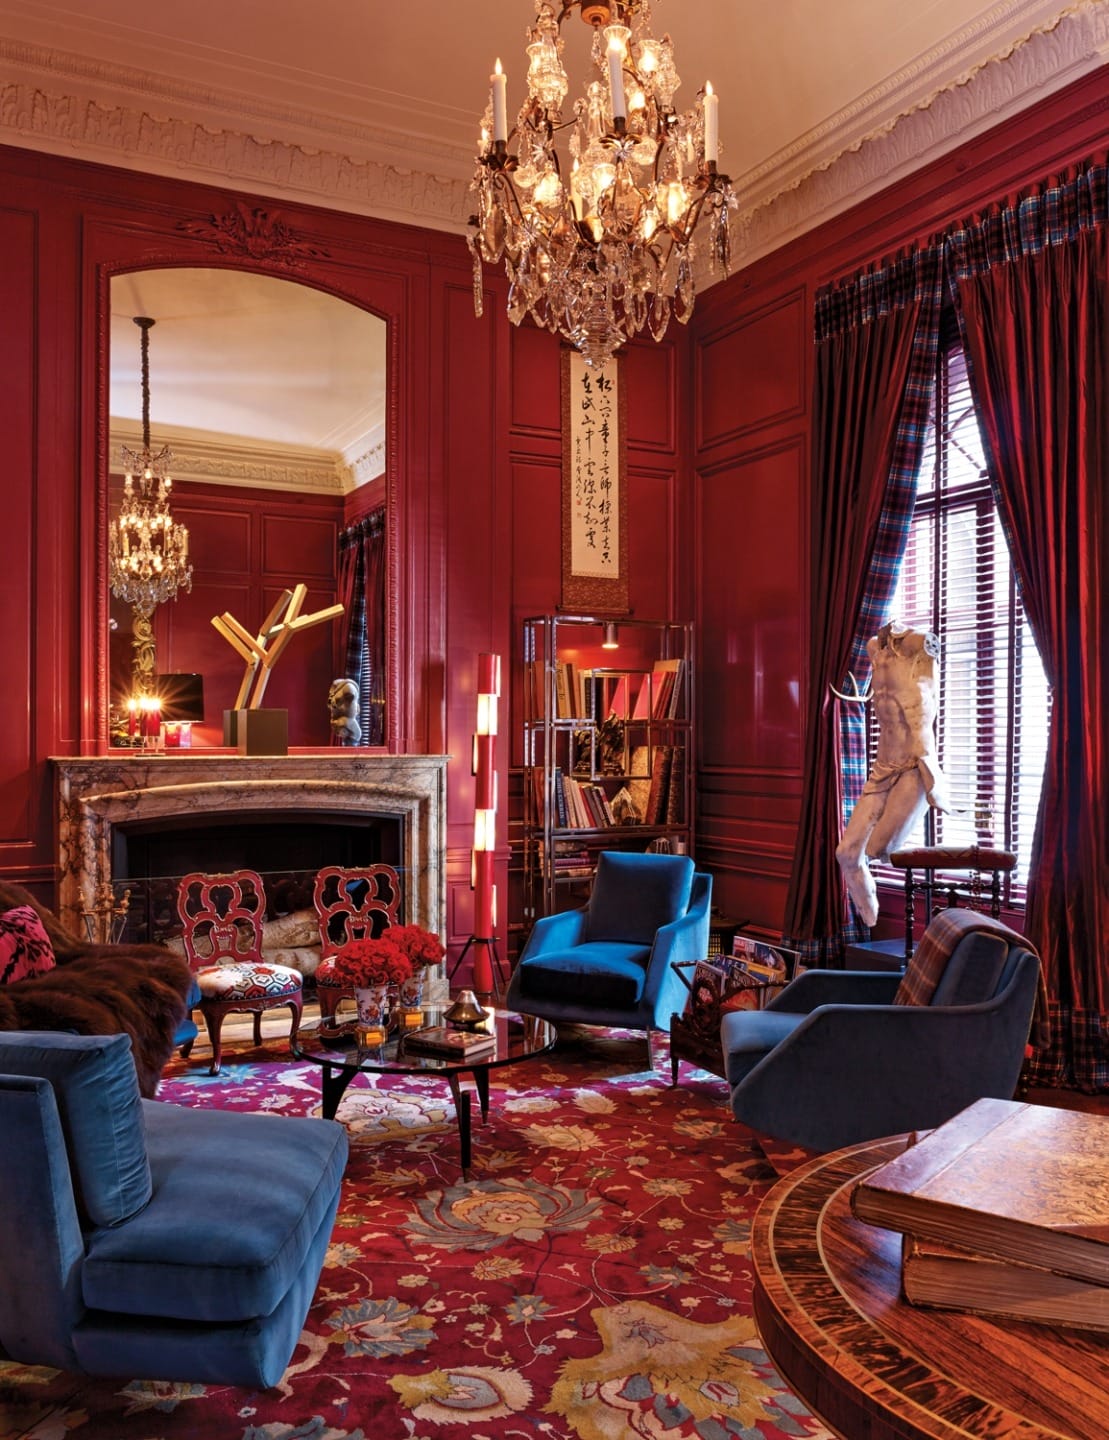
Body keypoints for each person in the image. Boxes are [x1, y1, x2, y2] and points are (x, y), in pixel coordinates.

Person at [835, 621, 949, 927]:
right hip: (882, 767)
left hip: (914, 765)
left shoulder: (919, 643)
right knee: (846, 854)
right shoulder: (874, 648)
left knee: (877, 848)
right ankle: (868, 917)